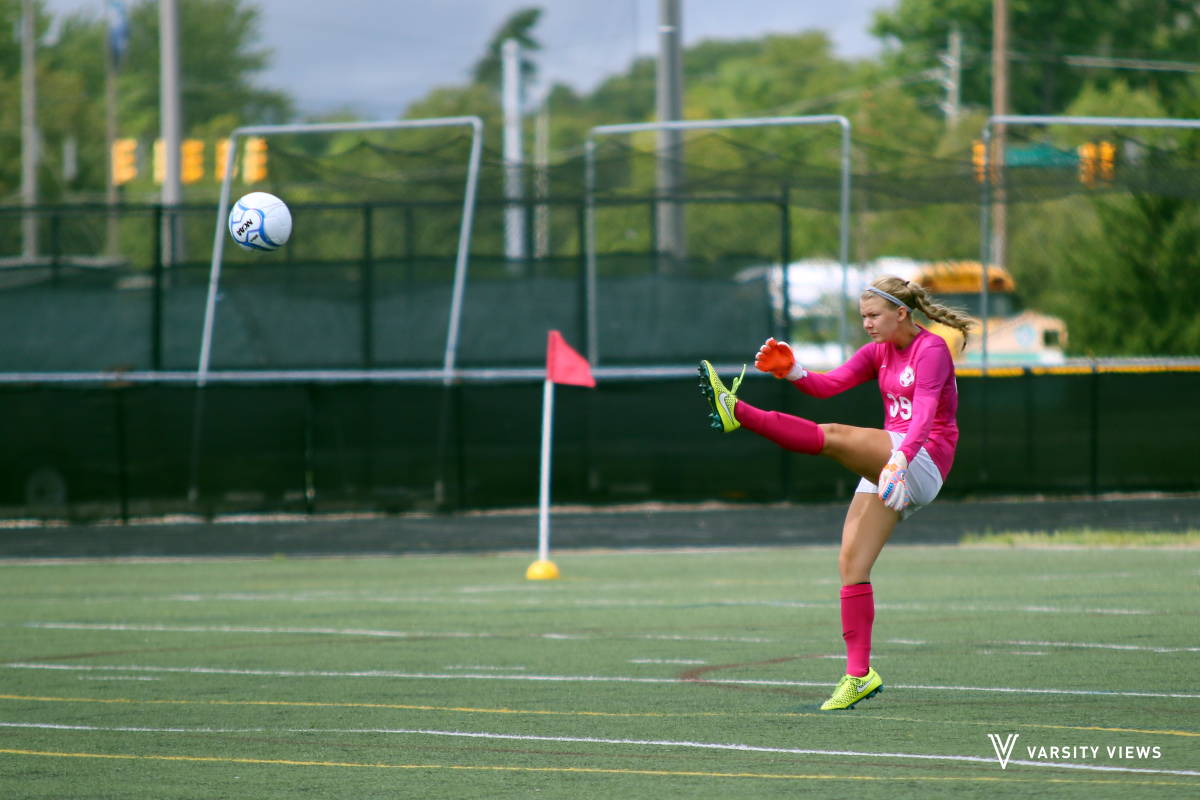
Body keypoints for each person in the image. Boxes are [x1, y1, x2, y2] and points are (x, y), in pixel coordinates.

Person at [698, 275, 972, 711]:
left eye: (873, 316)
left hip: (922, 458)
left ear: (901, 313)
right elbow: (829, 386)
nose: (866, 324)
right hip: (891, 457)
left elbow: (922, 417)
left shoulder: (932, 349)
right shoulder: (877, 352)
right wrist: (793, 371)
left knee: (836, 435)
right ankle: (859, 675)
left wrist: (899, 462)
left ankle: (737, 412)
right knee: (851, 564)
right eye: (862, 316)